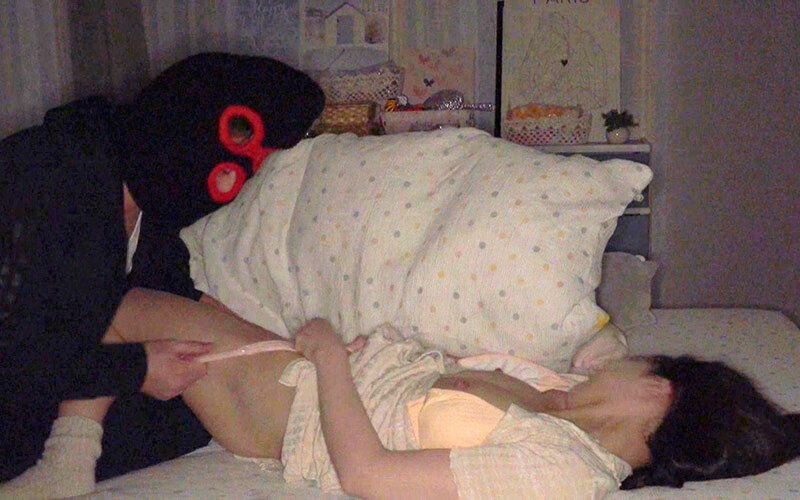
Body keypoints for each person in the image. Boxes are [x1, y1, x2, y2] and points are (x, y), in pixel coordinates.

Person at [9, 288, 796, 498]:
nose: (632, 360)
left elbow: (369, 475)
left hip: (297, 408)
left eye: (648, 363)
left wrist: (328, 359)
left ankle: (66, 465)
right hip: (309, 372)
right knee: (155, 310)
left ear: (658, 396)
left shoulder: (563, 471)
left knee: (116, 306)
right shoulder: (559, 396)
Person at [0, 52, 324, 496]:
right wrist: (135, 368)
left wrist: (280, 347)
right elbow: (20, 351)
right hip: (15, 383)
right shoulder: (47, 178)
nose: (230, 183)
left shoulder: (149, 208)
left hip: (58, 376)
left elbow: (173, 294)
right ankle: (60, 467)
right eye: (233, 154)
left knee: (194, 405)